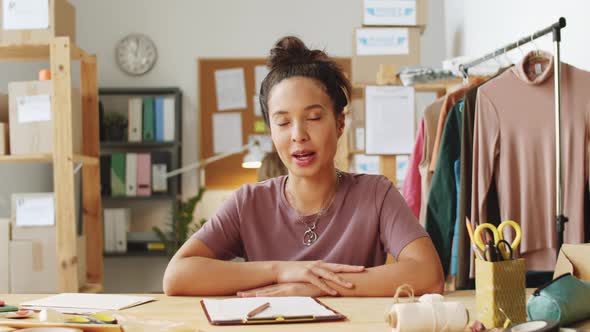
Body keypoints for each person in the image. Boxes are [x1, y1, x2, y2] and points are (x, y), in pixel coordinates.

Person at [163, 36, 444, 297]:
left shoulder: (375, 194)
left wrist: (316, 287)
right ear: (271, 132)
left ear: (340, 123)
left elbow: (428, 275)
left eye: (313, 117)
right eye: (283, 122)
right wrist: (281, 271)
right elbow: (177, 276)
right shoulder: (248, 202)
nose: (298, 134)